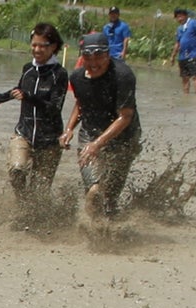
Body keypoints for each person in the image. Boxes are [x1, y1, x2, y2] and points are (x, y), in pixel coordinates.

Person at [61, 31, 142, 220]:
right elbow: (81, 104)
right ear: (82, 57)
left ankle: (109, 226)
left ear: (108, 55)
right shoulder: (77, 77)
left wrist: (98, 144)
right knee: (94, 189)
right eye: (88, 57)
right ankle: (91, 227)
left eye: (99, 56)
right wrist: (69, 129)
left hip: (124, 136)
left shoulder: (123, 76)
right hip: (90, 132)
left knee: (110, 196)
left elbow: (125, 116)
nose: (93, 63)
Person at [0, 22, 68, 207]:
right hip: (24, 133)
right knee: (17, 170)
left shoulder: (59, 74)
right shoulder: (27, 68)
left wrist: (29, 97)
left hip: (49, 139)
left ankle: (34, 214)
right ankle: (22, 203)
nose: (37, 49)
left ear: (54, 47)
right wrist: (2, 97)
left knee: (40, 190)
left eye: (42, 46)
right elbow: (20, 90)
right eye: (34, 45)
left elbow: (54, 107)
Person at [170, 8, 196, 95]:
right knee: (185, 77)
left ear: (186, 16)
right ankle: (186, 95)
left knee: (195, 75)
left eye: (180, 16)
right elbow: (177, 43)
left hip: (193, 54)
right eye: (177, 17)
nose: (179, 19)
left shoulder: (193, 23)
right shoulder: (179, 28)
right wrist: (173, 56)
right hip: (182, 56)